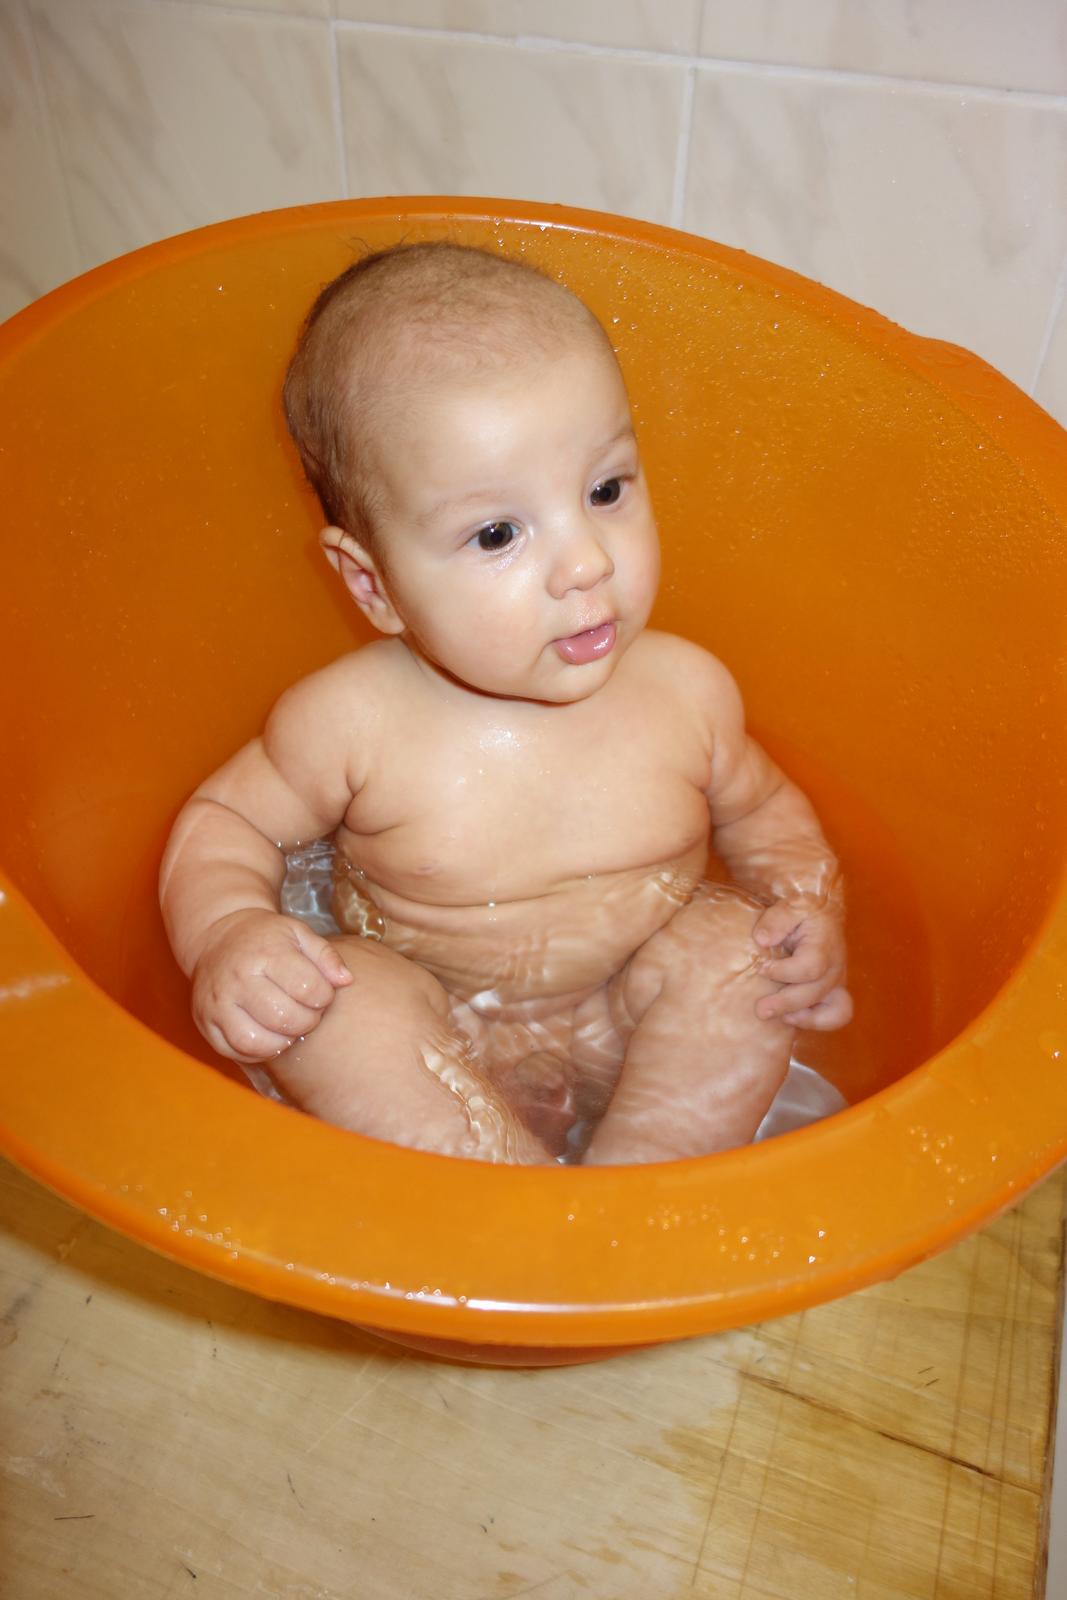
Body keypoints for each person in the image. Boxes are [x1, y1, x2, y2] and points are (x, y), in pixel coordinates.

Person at [159, 241, 851, 1166]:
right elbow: (223, 822)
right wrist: (231, 933)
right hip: (435, 1020)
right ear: (372, 585)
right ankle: (503, 1198)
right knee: (337, 1005)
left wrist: (804, 910)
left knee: (737, 951)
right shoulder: (348, 724)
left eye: (605, 489)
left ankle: (633, 1198)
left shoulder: (687, 691)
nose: (586, 563)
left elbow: (764, 812)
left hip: (628, 1010)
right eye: (496, 534)